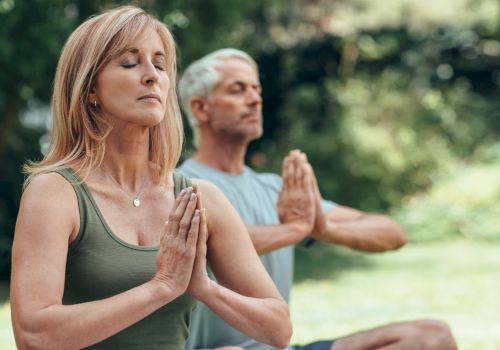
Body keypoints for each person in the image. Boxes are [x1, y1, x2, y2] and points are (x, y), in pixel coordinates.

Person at [10, 9, 292, 350]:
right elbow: (35, 335)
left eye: (159, 65)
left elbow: (278, 329)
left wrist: (203, 287)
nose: (151, 76)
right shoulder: (55, 192)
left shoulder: (199, 198)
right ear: (89, 89)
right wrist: (162, 287)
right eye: (130, 63)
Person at [177, 48, 458, 350]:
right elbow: (205, 245)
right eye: (238, 89)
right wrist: (291, 231)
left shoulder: (276, 189)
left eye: (256, 89)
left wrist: (322, 228)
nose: (255, 99)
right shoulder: (181, 185)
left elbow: (392, 233)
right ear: (201, 108)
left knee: (432, 336)